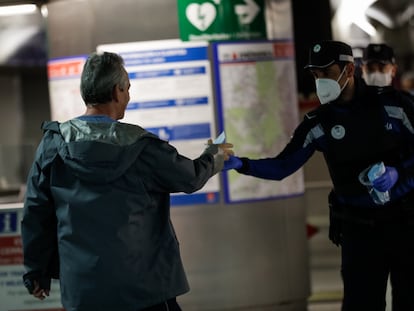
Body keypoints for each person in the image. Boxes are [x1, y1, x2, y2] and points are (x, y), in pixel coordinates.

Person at [21, 51, 233, 311]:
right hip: (144, 288)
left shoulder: (53, 144)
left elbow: (35, 212)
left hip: (83, 291)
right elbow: (191, 177)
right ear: (117, 90)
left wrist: (36, 271)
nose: (129, 97)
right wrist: (216, 154)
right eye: (127, 89)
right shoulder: (143, 147)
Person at [223, 40, 414, 311]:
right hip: (359, 232)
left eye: (326, 72)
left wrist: (400, 173)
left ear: (349, 70)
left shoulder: (393, 105)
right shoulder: (319, 123)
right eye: (315, 75)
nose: (320, 80)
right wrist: (242, 164)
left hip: (405, 224)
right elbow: (283, 166)